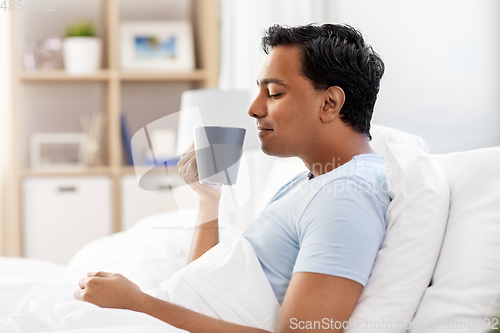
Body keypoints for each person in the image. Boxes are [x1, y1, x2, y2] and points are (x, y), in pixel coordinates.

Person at [74, 23, 389, 332]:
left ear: (329, 103)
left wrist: (139, 303)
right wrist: (208, 201)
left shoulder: (345, 199)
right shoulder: (313, 181)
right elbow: (209, 287)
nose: (253, 108)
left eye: (275, 92)